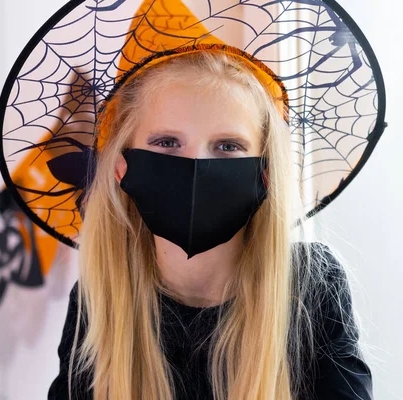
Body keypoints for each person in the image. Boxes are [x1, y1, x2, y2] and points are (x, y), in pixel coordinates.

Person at [47, 50, 373, 400]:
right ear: (121, 167)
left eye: (228, 146)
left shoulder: (311, 284)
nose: (197, 166)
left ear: (264, 175)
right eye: (167, 143)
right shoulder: (99, 297)